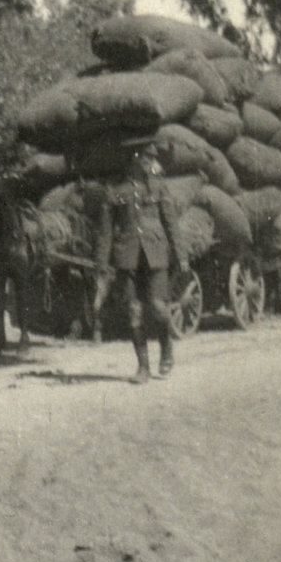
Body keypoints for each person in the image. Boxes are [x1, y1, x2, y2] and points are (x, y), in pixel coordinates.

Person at [92, 137, 188, 383]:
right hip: (127, 256)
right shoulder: (114, 191)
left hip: (155, 254)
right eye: (147, 157)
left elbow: (170, 223)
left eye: (152, 157)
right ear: (134, 158)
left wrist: (181, 256)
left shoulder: (158, 187)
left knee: (158, 307)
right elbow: (105, 232)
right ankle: (143, 367)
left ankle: (166, 348)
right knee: (134, 311)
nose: (151, 161)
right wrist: (101, 265)